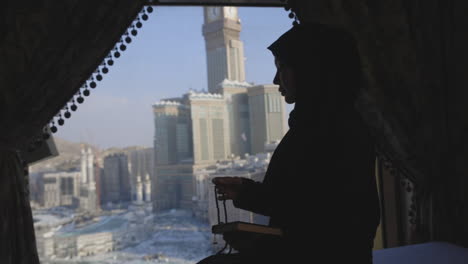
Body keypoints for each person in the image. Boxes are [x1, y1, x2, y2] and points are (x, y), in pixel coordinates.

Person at [197, 22, 381, 264]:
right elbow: (300, 200)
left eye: (282, 67)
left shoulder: (331, 130)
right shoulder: (320, 124)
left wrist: (263, 243)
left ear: (311, 69)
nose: (276, 79)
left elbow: (330, 221)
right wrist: (246, 192)